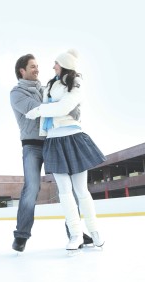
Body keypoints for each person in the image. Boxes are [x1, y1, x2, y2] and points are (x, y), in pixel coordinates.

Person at [10, 54, 93, 252]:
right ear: (22, 70)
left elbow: (62, 100)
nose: (37, 69)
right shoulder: (17, 93)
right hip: (31, 145)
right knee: (32, 187)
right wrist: (63, 107)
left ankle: (75, 232)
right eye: (33, 66)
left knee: (69, 188)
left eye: (37, 66)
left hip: (53, 141)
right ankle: (21, 235)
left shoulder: (47, 88)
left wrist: (66, 105)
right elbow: (39, 109)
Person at [25, 49, 107, 251]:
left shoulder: (76, 83)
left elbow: (63, 108)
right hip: (53, 139)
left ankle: (95, 232)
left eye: (56, 63)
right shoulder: (50, 85)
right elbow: (55, 107)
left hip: (73, 138)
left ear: (64, 65)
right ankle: (76, 235)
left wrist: (38, 111)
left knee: (81, 190)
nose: (53, 66)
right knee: (64, 191)